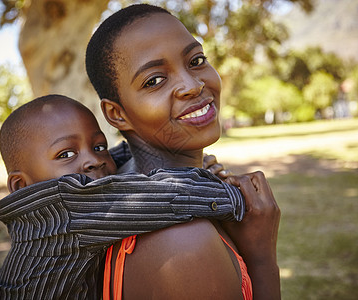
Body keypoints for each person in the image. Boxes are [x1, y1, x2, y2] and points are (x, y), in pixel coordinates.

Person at [85, 4, 280, 300]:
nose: (193, 85)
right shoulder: (182, 242)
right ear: (117, 114)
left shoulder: (130, 185)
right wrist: (262, 255)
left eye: (196, 60)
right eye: (154, 80)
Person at [0, 94, 246, 299]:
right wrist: (230, 195)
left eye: (99, 146)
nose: (93, 160)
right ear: (21, 185)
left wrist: (189, 167)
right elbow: (163, 198)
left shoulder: (75, 198)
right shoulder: (61, 212)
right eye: (66, 154)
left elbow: (124, 162)